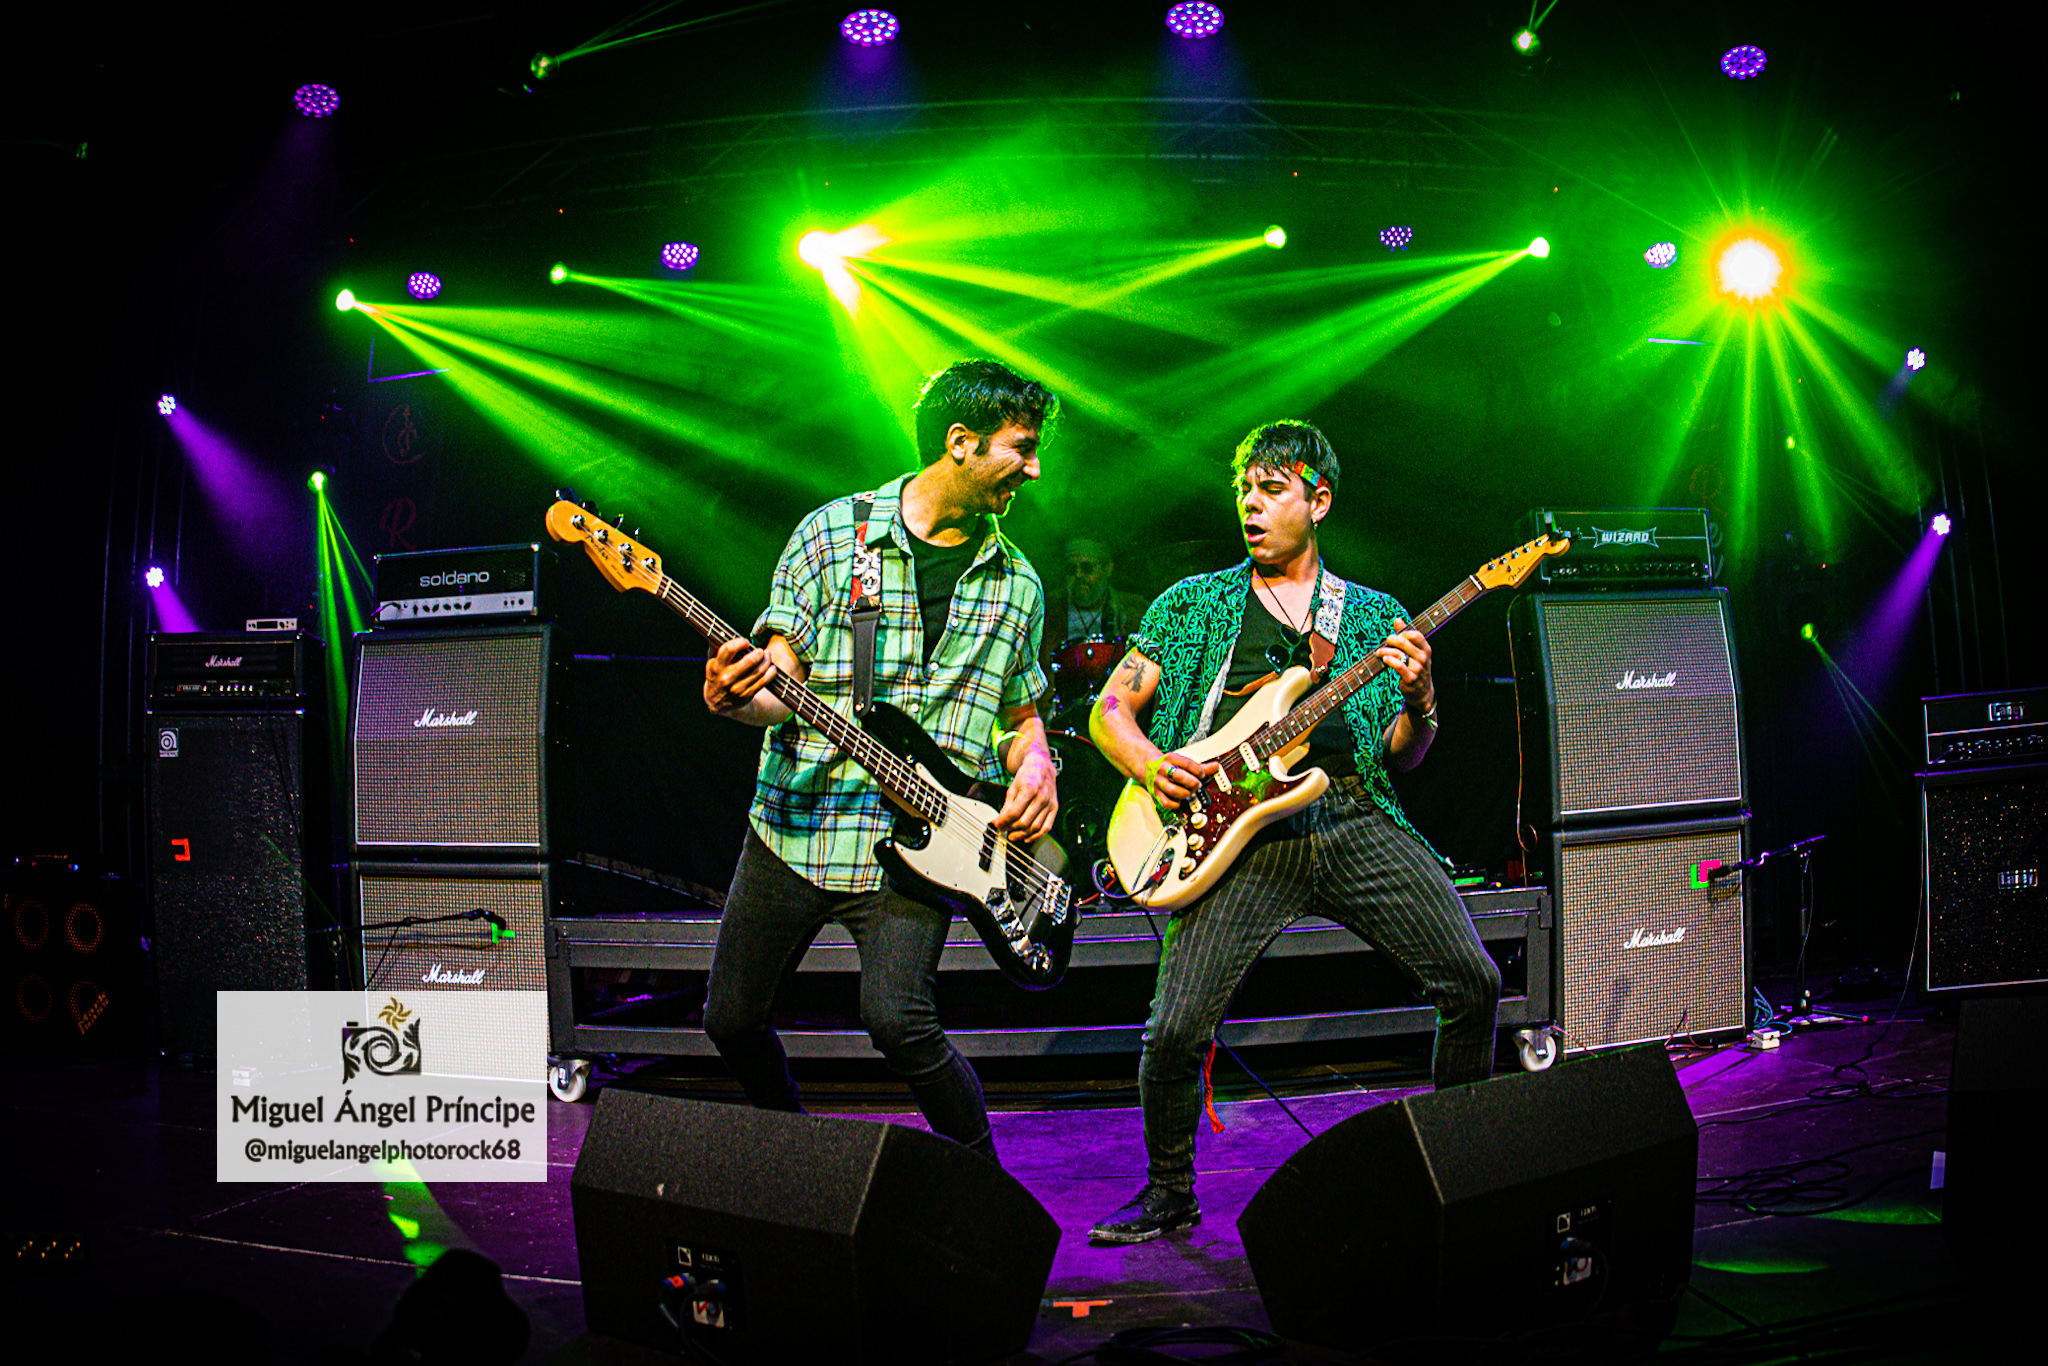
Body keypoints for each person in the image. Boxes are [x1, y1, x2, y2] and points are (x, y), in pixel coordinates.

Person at [1085, 419, 1500, 1241]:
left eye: (1272, 490)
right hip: (1236, 832)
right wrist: (1150, 765)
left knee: (1474, 983)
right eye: (1244, 489)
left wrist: (1422, 700)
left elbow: (1404, 754)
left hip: (1351, 814)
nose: (1251, 505)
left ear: (1319, 501)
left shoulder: (1374, 616)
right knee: (1174, 1029)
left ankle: (1454, 1164)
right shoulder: (1193, 603)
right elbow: (1110, 710)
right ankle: (1169, 1192)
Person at [698, 359, 1061, 1164]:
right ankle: (793, 1153)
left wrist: (1037, 765)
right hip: (796, 825)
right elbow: (779, 683)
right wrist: (734, 696)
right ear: (961, 443)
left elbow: (1020, 715)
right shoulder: (835, 536)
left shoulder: (1021, 586)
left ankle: (985, 1187)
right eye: (1022, 448)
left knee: (899, 1021)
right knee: (731, 1019)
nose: (1034, 469)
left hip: (925, 847)